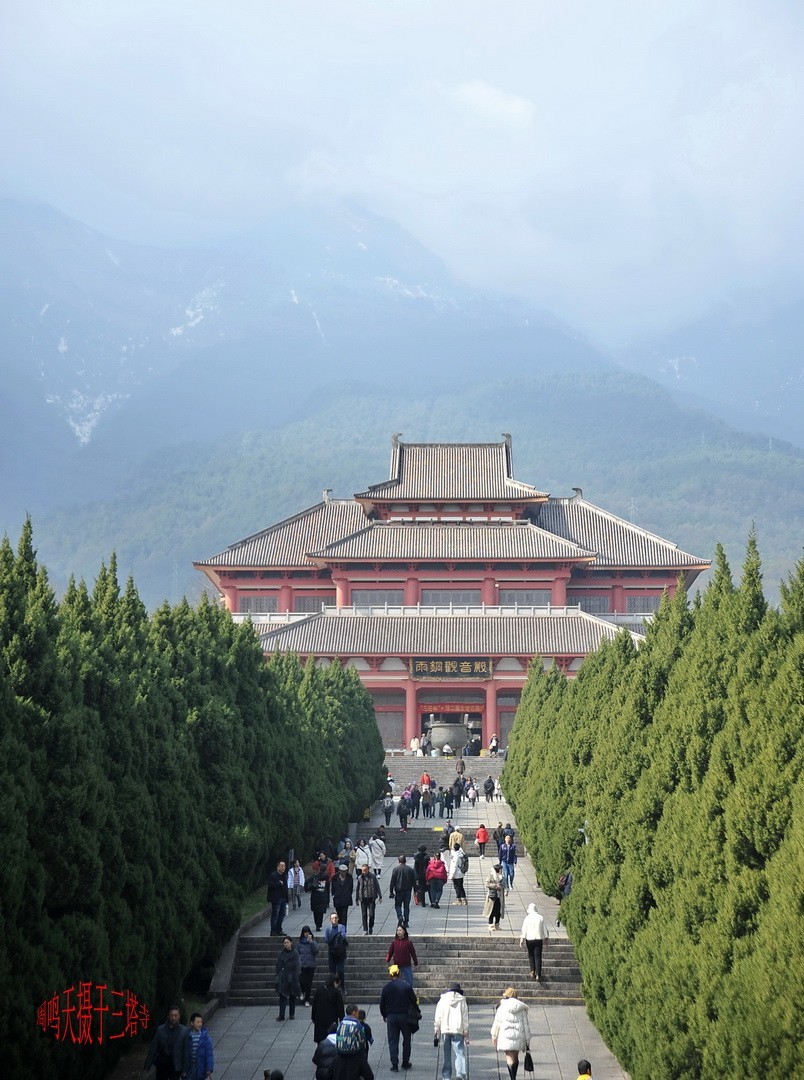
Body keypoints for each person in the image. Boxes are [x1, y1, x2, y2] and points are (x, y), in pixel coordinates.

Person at [379, 964, 417, 1072]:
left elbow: (382, 1004)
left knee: (393, 1040)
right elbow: (413, 1000)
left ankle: (394, 1064)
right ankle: (405, 1062)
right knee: (407, 1039)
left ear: (390, 975)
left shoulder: (386, 988)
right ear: (399, 974)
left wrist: (384, 1015)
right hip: (405, 1016)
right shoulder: (406, 986)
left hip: (391, 1017)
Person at [490, 988, 531, 1080]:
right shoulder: (522, 1008)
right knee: (515, 1057)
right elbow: (525, 1025)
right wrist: (527, 1040)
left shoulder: (502, 1007)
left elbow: (497, 1023)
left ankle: (512, 1077)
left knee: (509, 1057)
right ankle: (514, 1076)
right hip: (518, 1036)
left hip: (505, 1036)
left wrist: (494, 1036)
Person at [433, 982, 469, 1080]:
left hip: (445, 1029)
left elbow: (438, 1014)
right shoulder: (462, 1000)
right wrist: (466, 1032)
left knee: (446, 1054)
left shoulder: (443, 999)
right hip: (458, 1028)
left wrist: (436, 1028)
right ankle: (460, 1073)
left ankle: (446, 1075)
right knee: (459, 1052)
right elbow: (465, 1017)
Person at [143, 1005, 190, 1080]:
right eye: (171, 1015)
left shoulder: (184, 1031)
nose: (173, 1017)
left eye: (175, 1015)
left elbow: (186, 1051)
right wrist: (147, 1065)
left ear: (179, 1016)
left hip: (176, 1065)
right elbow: (153, 1048)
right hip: (162, 1064)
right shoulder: (160, 1030)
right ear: (168, 1016)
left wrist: (185, 1069)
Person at [333, 1005, 374, 1080]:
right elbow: (362, 1042)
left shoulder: (341, 1025)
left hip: (340, 1055)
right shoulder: (357, 1025)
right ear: (354, 1012)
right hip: (355, 1056)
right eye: (357, 1012)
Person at [274, 934, 302, 1021]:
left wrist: (296, 976)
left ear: (291, 943)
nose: (286, 944)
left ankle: (291, 1014)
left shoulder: (295, 953)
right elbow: (278, 965)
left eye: (287, 942)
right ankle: (281, 1014)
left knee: (292, 996)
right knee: (282, 996)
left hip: (292, 978)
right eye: (285, 943)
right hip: (283, 978)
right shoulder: (281, 954)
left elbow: (298, 966)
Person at [312, 975, 345, 1044]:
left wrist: (313, 1017)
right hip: (331, 1019)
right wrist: (342, 1020)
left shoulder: (319, 989)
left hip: (319, 1019)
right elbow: (340, 1008)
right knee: (331, 1038)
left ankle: (320, 1051)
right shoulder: (336, 992)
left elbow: (314, 1004)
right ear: (334, 982)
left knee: (320, 1038)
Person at [520, 903, 548, 980]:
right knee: (538, 956)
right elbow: (544, 929)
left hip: (529, 939)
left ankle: (532, 970)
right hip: (538, 939)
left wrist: (522, 939)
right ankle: (538, 974)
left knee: (531, 955)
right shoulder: (540, 917)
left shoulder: (527, 918)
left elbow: (524, 929)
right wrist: (546, 938)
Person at [355, 861, 383, 935]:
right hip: (363, 898)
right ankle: (365, 929)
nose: (364, 872)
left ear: (368, 870)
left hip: (371, 898)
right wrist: (357, 899)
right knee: (364, 915)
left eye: (365, 870)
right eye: (362, 870)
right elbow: (358, 888)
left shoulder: (373, 876)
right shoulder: (360, 878)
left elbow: (377, 886)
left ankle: (370, 926)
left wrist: (380, 896)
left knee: (371, 914)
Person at [389, 855, 417, 926]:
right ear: (405, 861)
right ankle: (406, 921)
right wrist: (415, 890)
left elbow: (392, 881)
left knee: (398, 905)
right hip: (408, 891)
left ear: (398, 861)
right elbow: (414, 881)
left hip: (399, 890)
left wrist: (391, 891)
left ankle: (400, 916)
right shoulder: (410, 869)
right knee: (406, 906)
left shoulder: (396, 869)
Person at [185, 1012, 214, 1080]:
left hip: (201, 1068)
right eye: (197, 1022)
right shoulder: (187, 1036)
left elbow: (209, 1054)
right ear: (192, 1023)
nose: (200, 1024)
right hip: (189, 1067)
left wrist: (209, 1068)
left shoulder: (205, 1037)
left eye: (201, 1022)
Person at [325, 912, 349, 991]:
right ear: (330, 920)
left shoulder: (341, 927)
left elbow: (343, 936)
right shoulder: (328, 929)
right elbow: (326, 940)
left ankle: (342, 987)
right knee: (332, 972)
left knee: (340, 971)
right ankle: (332, 987)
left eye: (335, 918)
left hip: (340, 953)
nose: (334, 919)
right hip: (332, 953)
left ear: (338, 919)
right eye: (332, 918)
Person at [298, 925, 320, 1004]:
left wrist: (311, 942)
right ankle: (303, 991)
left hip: (311, 965)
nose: (306, 934)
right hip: (302, 965)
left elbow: (316, 951)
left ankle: (307, 1000)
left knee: (309, 983)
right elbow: (297, 953)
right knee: (301, 980)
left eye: (307, 932)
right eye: (305, 932)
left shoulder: (313, 941)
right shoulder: (300, 943)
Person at [266, 859, 288, 936]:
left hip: (283, 897)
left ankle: (279, 929)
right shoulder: (273, 875)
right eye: (282, 866)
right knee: (275, 915)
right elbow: (270, 885)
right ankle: (273, 930)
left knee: (282, 915)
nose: (283, 867)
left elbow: (285, 887)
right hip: (276, 898)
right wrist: (278, 884)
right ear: (278, 867)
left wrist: (287, 898)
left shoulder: (284, 875)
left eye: (284, 866)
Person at [483, 862, 505, 931]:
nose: (501, 871)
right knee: (491, 911)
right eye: (500, 869)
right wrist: (495, 886)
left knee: (498, 912)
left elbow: (504, 885)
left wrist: (502, 887)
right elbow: (487, 884)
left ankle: (497, 924)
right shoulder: (491, 875)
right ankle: (490, 925)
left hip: (499, 896)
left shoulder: (502, 876)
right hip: (492, 896)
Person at [332, 863, 354, 928]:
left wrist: (348, 894)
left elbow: (351, 888)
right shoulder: (335, 878)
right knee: (339, 914)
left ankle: (343, 928)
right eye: (342, 871)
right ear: (339, 871)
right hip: (337, 899)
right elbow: (333, 888)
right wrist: (334, 895)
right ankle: (339, 926)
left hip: (346, 899)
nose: (343, 873)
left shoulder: (349, 878)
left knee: (344, 914)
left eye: (345, 871)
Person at [413, 843, 429, 908]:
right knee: (427, 887)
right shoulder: (426, 857)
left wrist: (415, 876)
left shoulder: (416, 857)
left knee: (421, 888)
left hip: (419, 874)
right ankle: (431, 901)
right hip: (425, 874)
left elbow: (415, 867)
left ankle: (422, 902)